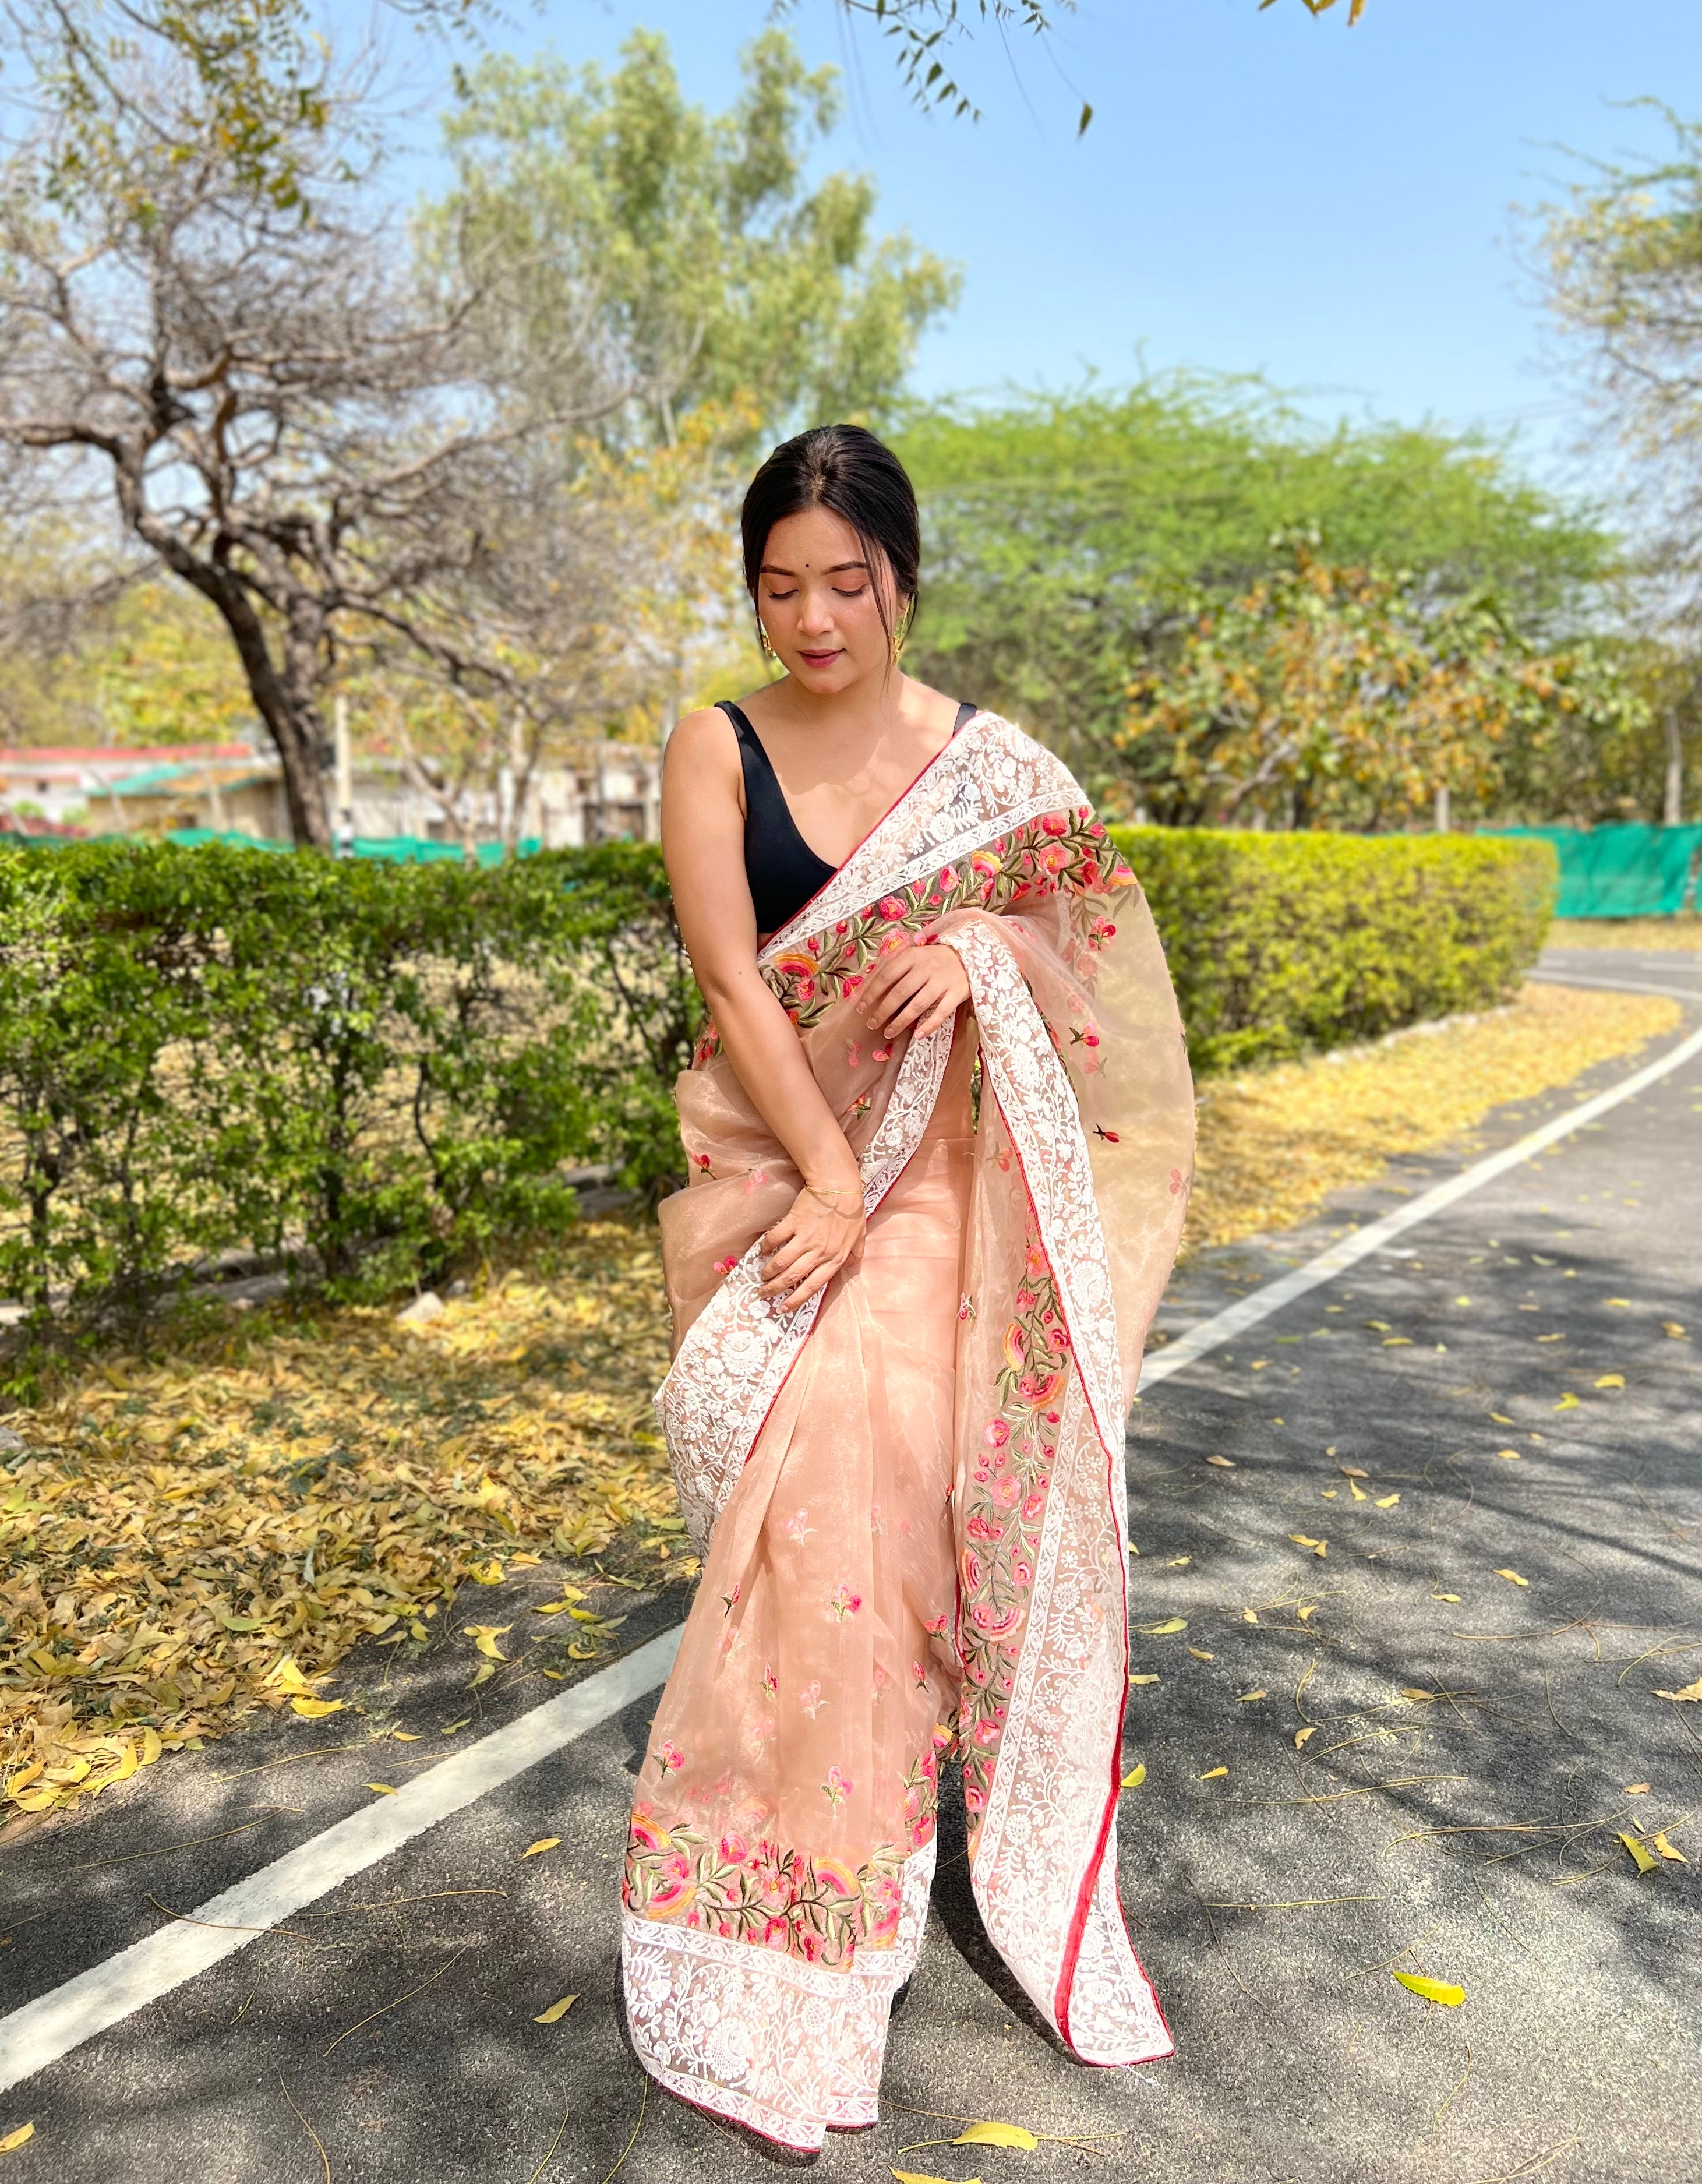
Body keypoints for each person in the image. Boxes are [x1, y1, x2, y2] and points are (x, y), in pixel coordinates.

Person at [619, 423, 1195, 2153]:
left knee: (929, 1515)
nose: (813, 619)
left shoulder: (991, 769)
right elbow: (732, 983)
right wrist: (816, 1179)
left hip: (963, 1195)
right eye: (780, 586)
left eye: (845, 584)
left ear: (902, 580)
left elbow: (1099, 958)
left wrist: (981, 946)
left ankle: (890, 1859)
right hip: (790, 1172)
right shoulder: (712, 750)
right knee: (835, 1504)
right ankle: (784, 1920)